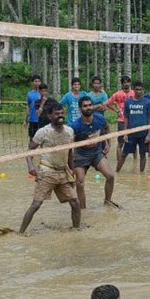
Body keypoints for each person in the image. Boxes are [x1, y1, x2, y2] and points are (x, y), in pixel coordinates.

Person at [21, 99, 82, 232]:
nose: (60, 116)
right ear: (50, 116)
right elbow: (29, 151)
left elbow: (70, 152)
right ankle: (20, 233)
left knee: (75, 202)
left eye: (62, 113)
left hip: (63, 172)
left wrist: (72, 170)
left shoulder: (70, 131)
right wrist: (30, 166)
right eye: (57, 113)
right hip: (46, 171)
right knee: (36, 204)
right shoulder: (43, 131)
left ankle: (77, 231)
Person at [68, 96, 119, 211]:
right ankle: (83, 210)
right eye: (85, 106)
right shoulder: (75, 126)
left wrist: (108, 143)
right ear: (80, 108)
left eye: (90, 105)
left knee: (110, 176)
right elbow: (70, 146)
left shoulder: (100, 119)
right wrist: (70, 165)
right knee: (80, 183)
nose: (88, 108)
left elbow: (107, 128)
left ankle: (107, 201)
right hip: (80, 156)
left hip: (96, 153)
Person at [116, 81, 150, 173]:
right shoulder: (128, 102)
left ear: (143, 90)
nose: (138, 92)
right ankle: (116, 173)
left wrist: (149, 133)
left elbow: (149, 119)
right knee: (124, 154)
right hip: (131, 133)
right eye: (136, 89)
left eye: (140, 90)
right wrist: (125, 133)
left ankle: (141, 174)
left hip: (143, 133)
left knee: (143, 154)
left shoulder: (147, 102)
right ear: (133, 90)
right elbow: (126, 118)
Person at [108, 76, 133, 167]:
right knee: (120, 143)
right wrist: (117, 111)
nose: (126, 84)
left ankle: (135, 163)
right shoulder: (117, 94)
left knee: (134, 142)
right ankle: (119, 163)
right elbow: (108, 103)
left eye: (128, 82)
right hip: (121, 120)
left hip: (133, 121)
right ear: (122, 84)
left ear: (130, 83)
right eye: (124, 82)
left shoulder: (134, 93)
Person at [26, 74, 43, 139]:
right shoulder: (29, 94)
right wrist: (26, 119)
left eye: (39, 81)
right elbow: (29, 107)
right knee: (32, 138)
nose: (37, 83)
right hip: (32, 120)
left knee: (42, 139)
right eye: (35, 81)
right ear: (32, 83)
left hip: (41, 120)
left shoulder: (43, 93)